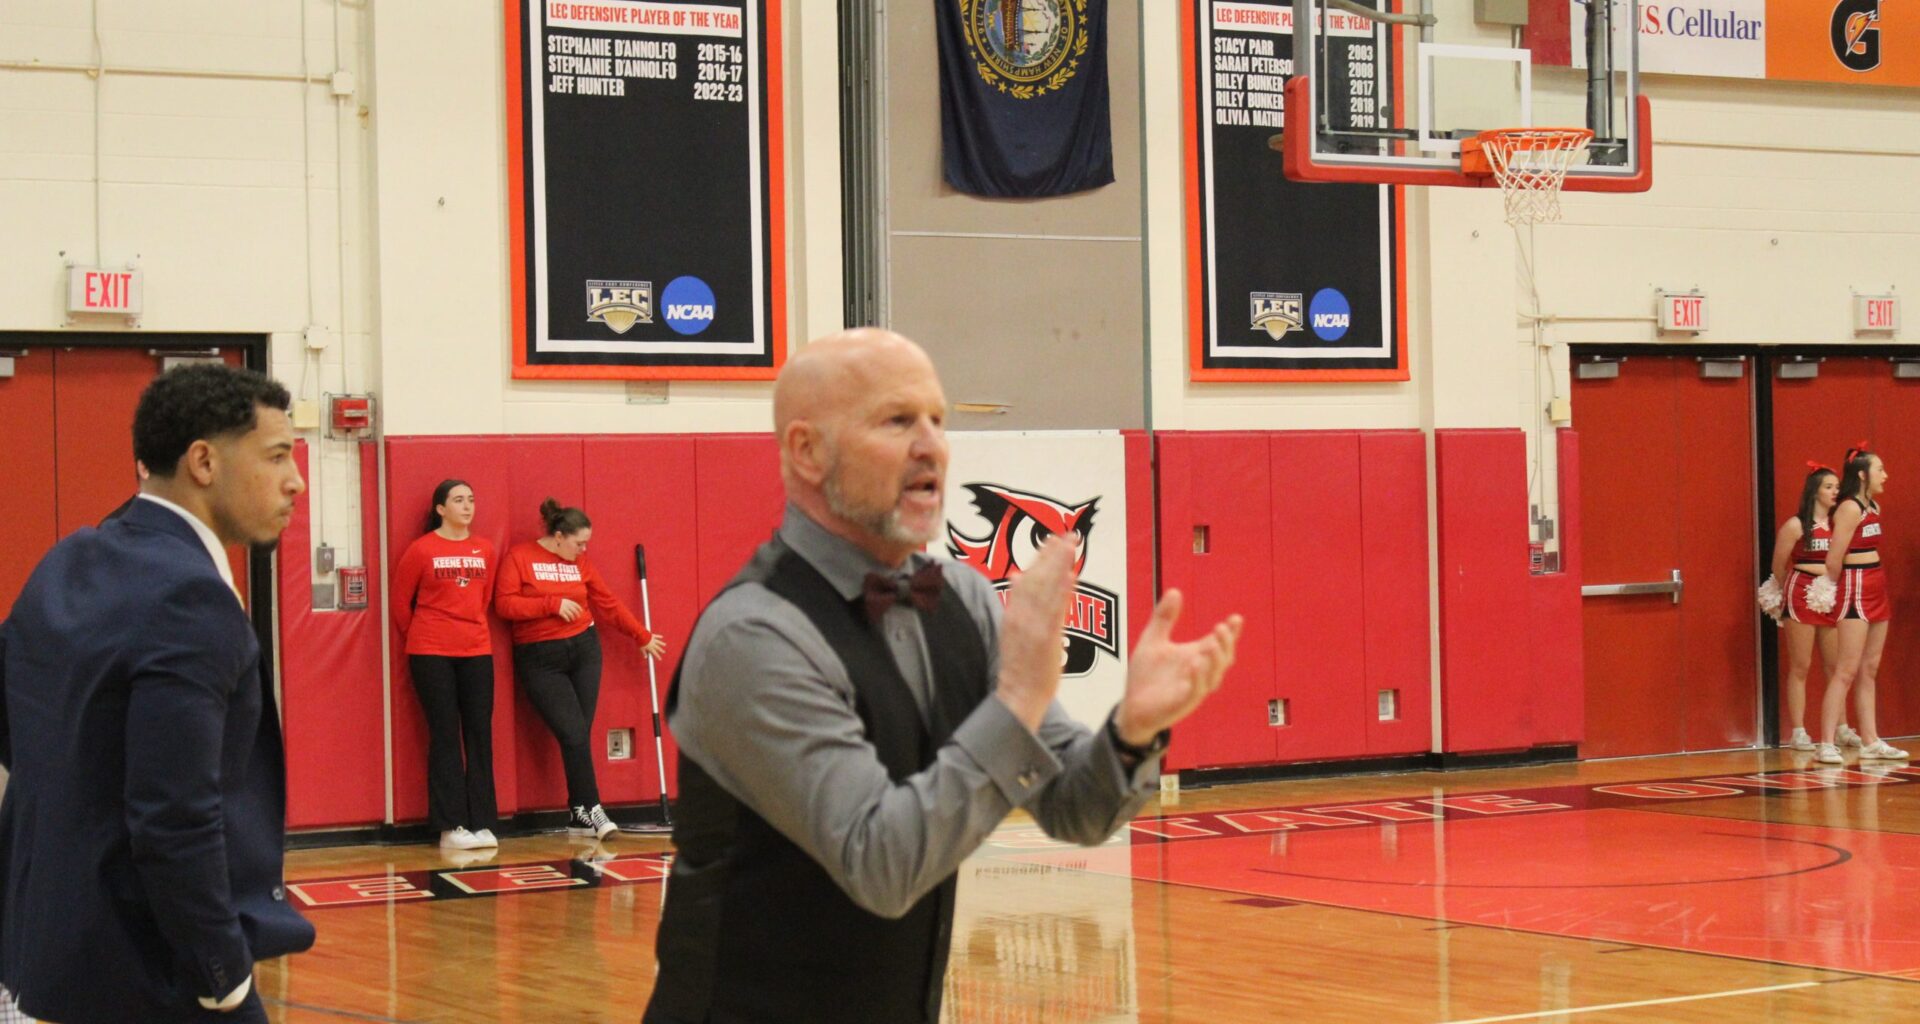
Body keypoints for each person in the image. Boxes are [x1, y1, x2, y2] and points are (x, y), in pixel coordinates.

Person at [644, 329, 1243, 1024]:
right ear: (806, 451)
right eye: (898, 421)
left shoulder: (961, 598)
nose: (933, 446)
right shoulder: (755, 637)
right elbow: (882, 863)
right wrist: (1017, 699)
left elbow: (1075, 810)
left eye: (939, 419)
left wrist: (1132, 732)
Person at [0, 364, 316, 1023]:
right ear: (203, 460)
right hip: (156, 972)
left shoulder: (69, 558)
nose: (296, 480)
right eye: (278, 455)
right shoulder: (191, 596)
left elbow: (18, 735)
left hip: (45, 960)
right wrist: (223, 975)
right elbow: (174, 814)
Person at [494, 499, 668, 840]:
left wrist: (641, 635)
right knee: (573, 733)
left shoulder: (581, 563)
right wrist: (552, 604)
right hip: (540, 656)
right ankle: (595, 810)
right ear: (558, 537)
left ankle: (578, 812)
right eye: (579, 543)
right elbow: (504, 604)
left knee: (578, 735)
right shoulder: (520, 558)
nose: (584, 548)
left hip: (585, 651)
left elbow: (607, 602)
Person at [391, 479, 500, 851]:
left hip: (476, 651)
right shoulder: (421, 550)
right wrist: (422, 638)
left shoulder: (485, 549)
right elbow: (400, 602)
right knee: (445, 736)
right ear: (440, 508)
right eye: (458, 500)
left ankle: (483, 821)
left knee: (480, 734)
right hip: (430, 652)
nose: (467, 506)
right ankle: (450, 825)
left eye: (471, 499)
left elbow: (482, 599)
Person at [1812, 445, 1906, 764]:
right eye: (1880, 469)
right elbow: (1834, 558)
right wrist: (1831, 589)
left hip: (1877, 583)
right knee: (1846, 669)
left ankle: (1871, 740)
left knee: (1870, 667)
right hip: (1855, 584)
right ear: (1863, 475)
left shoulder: (1873, 504)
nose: (1885, 475)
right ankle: (1826, 742)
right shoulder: (1850, 508)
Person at [1763, 465, 1843, 751]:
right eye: (1829, 487)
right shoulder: (1796, 525)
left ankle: (1841, 729)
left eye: (1837, 487)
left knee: (1836, 667)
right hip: (1802, 594)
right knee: (1801, 665)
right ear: (1814, 492)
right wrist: (1796, 590)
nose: (1835, 492)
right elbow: (1777, 565)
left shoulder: (1838, 524)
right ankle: (1798, 731)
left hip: (1831, 594)